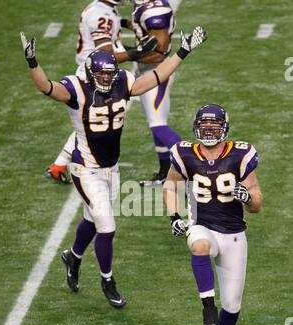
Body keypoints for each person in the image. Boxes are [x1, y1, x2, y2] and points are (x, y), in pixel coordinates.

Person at [20, 27, 207, 308]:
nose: (107, 79)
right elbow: (47, 87)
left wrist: (184, 50)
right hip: (86, 169)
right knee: (107, 226)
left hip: (112, 168)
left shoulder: (123, 81)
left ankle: (73, 256)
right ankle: (107, 280)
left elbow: (156, 76)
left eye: (110, 74)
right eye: (102, 75)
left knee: (92, 220)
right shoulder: (78, 88)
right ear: (90, 73)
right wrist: (32, 62)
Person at [163, 104, 263, 325]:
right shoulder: (185, 153)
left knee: (232, 305)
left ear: (224, 129)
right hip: (201, 225)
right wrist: (174, 216)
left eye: (214, 127)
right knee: (199, 245)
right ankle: (208, 309)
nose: (208, 132)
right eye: (204, 127)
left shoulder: (240, 154)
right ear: (196, 127)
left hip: (233, 234)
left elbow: (257, 202)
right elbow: (170, 184)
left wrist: (247, 198)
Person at [45, 0, 157, 184]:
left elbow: (115, 21)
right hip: (93, 74)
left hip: (94, 70)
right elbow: (107, 53)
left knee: (93, 121)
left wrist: (130, 25)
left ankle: (58, 165)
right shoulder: (100, 15)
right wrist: (136, 52)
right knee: (97, 120)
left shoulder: (102, 8)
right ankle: (59, 165)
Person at [120, 0, 183, 187]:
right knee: (155, 124)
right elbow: (143, 30)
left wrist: (126, 53)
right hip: (148, 70)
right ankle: (165, 174)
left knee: (158, 125)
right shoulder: (146, 6)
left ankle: (194, 170)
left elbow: (159, 53)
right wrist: (123, 23)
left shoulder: (155, 11)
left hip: (156, 72)